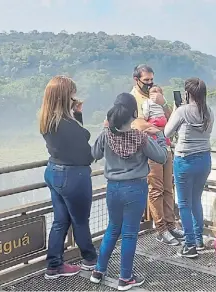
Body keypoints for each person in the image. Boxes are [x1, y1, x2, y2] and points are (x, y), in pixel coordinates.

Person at [90, 93, 168, 291]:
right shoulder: (140, 138)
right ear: (133, 113)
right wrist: (158, 135)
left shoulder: (107, 134)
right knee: (130, 233)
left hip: (113, 188)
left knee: (113, 228)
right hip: (135, 188)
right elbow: (161, 157)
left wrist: (104, 129)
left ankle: (98, 271)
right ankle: (125, 278)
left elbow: (94, 154)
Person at [39, 75, 97, 279]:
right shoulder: (67, 124)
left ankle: (54, 266)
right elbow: (85, 149)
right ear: (65, 97)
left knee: (60, 221)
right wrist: (77, 116)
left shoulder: (47, 120)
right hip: (74, 175)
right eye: (72, 93)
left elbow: (77, 138)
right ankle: (90, 260)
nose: (74, 96)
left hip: (54, 171)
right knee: (80, 221)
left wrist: (76, 114)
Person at [131, 64, 183, 246]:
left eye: (151, 79)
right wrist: (161, 129)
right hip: (148, 149)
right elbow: (138, 125)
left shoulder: (156, 94)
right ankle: (160, 229)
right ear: (136, 80)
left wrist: (163, 103)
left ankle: (171, 224)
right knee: (156, 189)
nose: (149, 83)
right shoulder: (134, 99)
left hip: (165, 147)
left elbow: (171, 119)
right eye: (146, 80)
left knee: (169, 187)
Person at [164, 77, 214, 258]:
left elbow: (166, 133)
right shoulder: (209, 111)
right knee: (196, 200)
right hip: (204, 160)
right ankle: (199, 240)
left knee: (184, 203)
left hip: (185, 160)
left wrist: (175, 111)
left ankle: (190, 245)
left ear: (187, 93)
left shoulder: (182, 111)